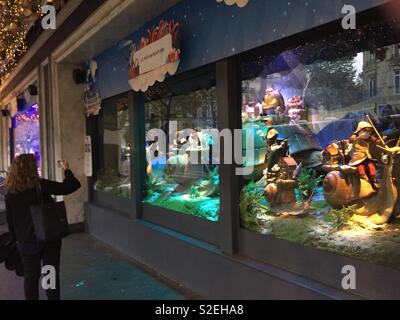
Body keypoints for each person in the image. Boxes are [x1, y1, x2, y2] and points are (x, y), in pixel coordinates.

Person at [4, 154, 81, 300]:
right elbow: (71, 186)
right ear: (32, 168)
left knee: (30, 277)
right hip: (47, 237)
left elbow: (11, 220)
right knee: (50, 273)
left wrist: (16, 240)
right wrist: (66, 170)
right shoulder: (41, 185)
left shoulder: (10, 191)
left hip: (25, 240)